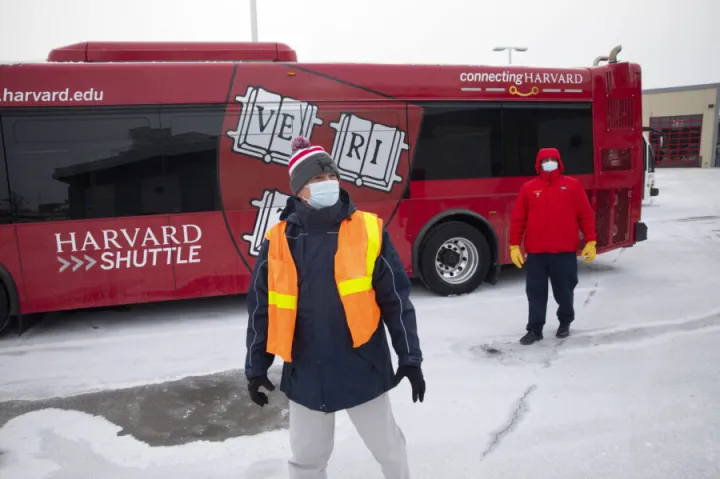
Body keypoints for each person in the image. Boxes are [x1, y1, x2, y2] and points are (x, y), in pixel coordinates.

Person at [244, 136, 425, 479]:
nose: (326, 184)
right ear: (299, 189)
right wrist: (256, 366)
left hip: (362, 362)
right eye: (315, 179)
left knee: (389, 450)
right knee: (306, 462)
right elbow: (261, 309)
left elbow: (396, 300)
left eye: (330, 176)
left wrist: (410, 357)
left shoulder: (369, 230)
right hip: (305, 370)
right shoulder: (279, 240)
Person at [509, 147, 597, 345]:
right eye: (544, 160)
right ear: (538, 164)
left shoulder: (572, 186)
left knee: (564, 292)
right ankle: (534, 329)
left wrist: (590, 240)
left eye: (552, 159)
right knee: (535, 294)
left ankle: (565, 322)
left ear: (559, 162)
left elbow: (585, 214)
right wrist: (514, 245)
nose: (548, 163)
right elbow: (518, 220)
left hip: (564, 252)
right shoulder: (529, 188)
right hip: (537, 255)